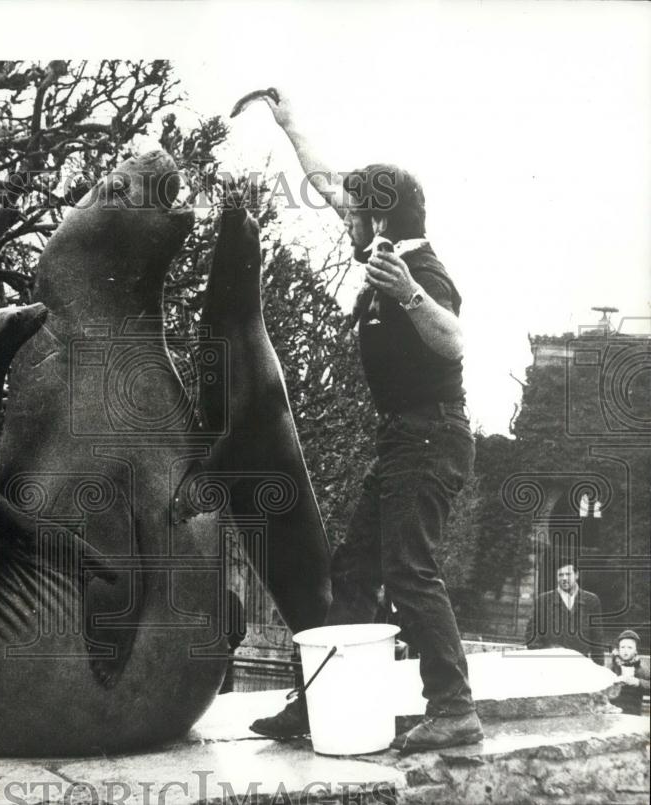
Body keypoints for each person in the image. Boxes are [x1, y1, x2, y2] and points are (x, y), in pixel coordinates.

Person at [247, 91, 483, 753]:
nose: (340, 214)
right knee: (353, 570)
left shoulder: (422, 270)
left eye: (355, 209)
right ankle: (319, 702)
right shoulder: (381, 247)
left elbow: (456, 340)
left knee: (408, 570)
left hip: (432, 435)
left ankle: (454, 707)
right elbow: (326, 183)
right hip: (403, 438)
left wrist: (408, 293)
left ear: (377, 217)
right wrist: (288, 118)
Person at [525, 560, 604, 664]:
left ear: (576, 575)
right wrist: (541, 657)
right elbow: (532, 633)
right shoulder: (543, 600)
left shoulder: (591, 601)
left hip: (580, 664)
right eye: (560, 575)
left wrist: (598, 666)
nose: (564, 578)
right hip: (550, 663)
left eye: (568, 574)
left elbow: (597, 637)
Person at [608, 629, 649, 716]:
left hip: (634, 713)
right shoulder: (611, 667)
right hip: (613, 713)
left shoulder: (642, 669)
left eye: (630, 647)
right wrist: (613, 683)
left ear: (636, 650)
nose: (625, 651)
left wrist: (638, 682)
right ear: (618, 649)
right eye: (622, 647)